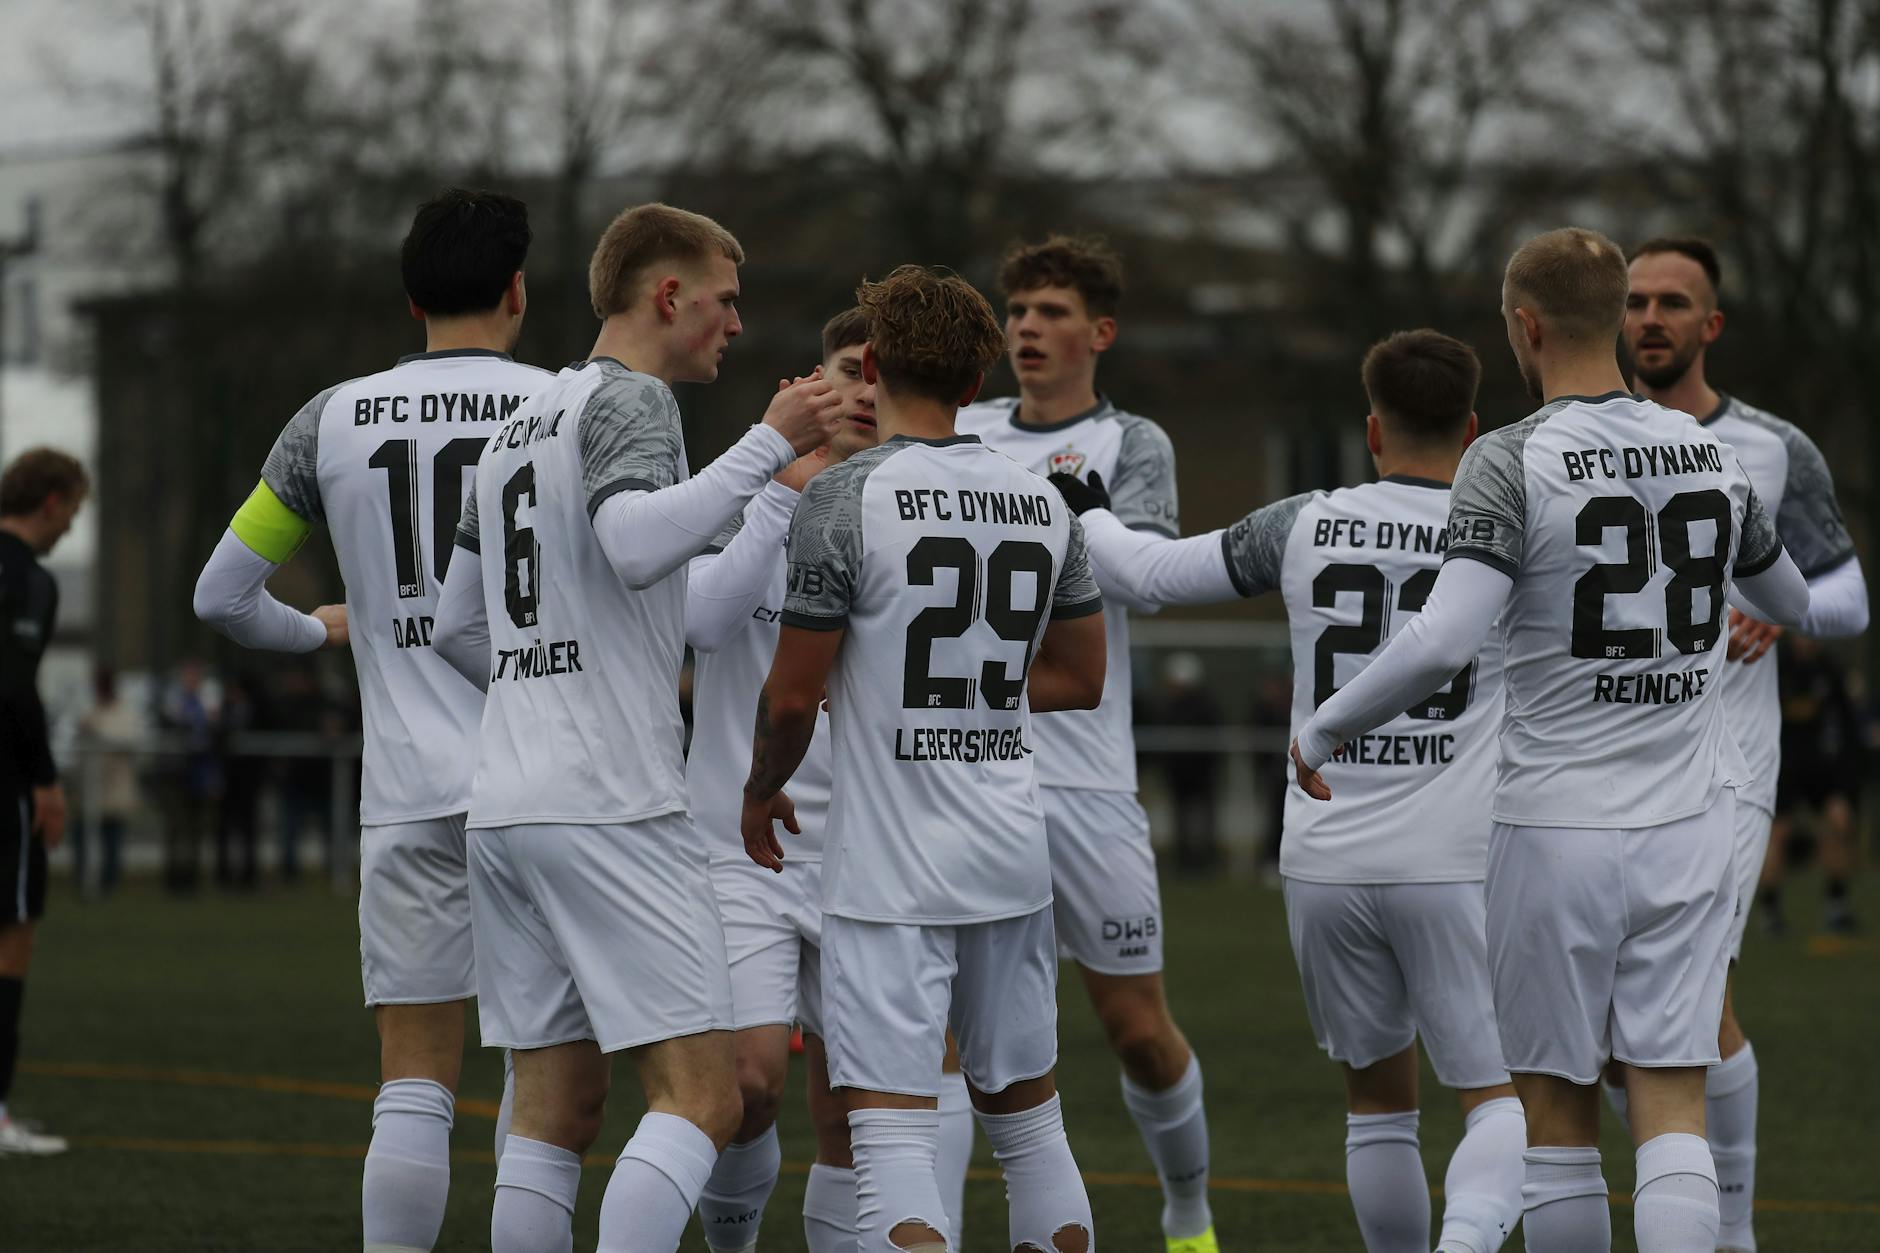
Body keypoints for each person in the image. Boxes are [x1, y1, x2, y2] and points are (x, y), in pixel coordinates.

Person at [1291, 228, 1810, 1253]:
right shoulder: (1705, 447)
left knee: (1558, 1117)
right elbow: (1788, 593)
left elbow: (1440, 637)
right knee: (1670, 1104)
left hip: (1550, 827)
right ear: (1617, 315)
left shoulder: (1510, 453)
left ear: (1522, 326)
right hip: (1688, 822)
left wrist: (1321, 724)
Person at [1051, 329, 1526, 1253]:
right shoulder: (1504, 528)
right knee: (1497, 1096)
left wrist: (1086, 507)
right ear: (1472, 430)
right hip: (1456, 855)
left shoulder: (1306, 520)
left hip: (1323, 856)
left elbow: (1148, 572)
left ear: (1372, 428)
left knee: (1378, 1108)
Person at [431, 202, 842, 1253]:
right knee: (703, 1098)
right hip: (609, 804)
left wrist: (548, 686)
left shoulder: (519, 425)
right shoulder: (634, 402)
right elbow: (632, 544)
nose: (735, 325)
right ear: (670, 296)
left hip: (507, 809)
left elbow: (455, 623)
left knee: (553, 1109)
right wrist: (769, 443)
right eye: (725, 300)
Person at [195, 188, 547, 1251]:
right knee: (542, 1083)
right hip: (545, 788)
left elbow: (220, 596)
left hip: (402, 796)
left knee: (413, 1084)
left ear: (409, 299)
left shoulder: (330, 418)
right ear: (518, 290)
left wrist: (321, 631)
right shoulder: (563, 405)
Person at [742, 264, 1108, 1253]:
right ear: (978, 369)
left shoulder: (848, 495)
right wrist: (975, 690)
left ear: (869, 363)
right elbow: (1080, 676)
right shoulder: (1042, 499)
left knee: (892, 1132)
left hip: (888, 870)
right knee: (1031, 1125)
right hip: (1010, 853)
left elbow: (789, 694)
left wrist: (758, 789)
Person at [684, 308, 977, 1252]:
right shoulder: (737, 500)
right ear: (808, 382)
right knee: (750, 1082)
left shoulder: (916, 511)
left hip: (871, 847)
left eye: (875, 373)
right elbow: (703, 626)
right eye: (846, 369)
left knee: (860, 1108)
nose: (862, 389)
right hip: (742, 846)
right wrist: (776, 497)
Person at [955, 236, 1219, 1253]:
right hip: (963, 773)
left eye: (1050, 311)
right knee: (948, 1044)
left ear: (1098, 333)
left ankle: (1187, 1213)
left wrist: (1071, 515)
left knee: (1138, 1034)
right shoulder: (963, 431)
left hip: (1084, 779)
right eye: (1016, 309)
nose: (1025, 326)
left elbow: (1140, 567)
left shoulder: (1129, 444)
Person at [1616, 234, 1869, 1250]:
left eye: (1672, 302)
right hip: (1594, 765)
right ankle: (1693, 1199)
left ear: (1709, 324)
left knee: (1688, 997)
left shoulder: (1770, 447)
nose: (1649, 319)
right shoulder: (1568, 441)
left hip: (1723, 766)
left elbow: (1846, 586)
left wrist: (1787, 608)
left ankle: (1727, 1227)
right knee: (1610, 1023)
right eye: (1633, 301)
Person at [0, 446, 88, 1155]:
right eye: (73, 510)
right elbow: (15, 684)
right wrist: (46, 780)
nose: (70, 527)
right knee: (12, 937)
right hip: (5, 785)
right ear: (52, 502)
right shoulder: (28, 580)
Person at [1770, 635, 1863, 930]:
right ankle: (1769, 910)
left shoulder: (1828, 671)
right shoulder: (1776, 667)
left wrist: (1845, 779)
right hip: (1781, 763)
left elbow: (1847, 722)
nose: (1808, 640)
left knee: (1838, 821)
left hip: (1821, 765)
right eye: (1803, 633)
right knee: (1778, 833)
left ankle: (1837, 904)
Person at [77, 665, 139, 897]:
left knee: (112, 840)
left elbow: (125, 740)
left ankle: (109, 885)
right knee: (83, 835)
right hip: (91, 787)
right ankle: (84, 880)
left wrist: (96, 731)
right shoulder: (92, 710)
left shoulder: (123, 712)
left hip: (115, 787)